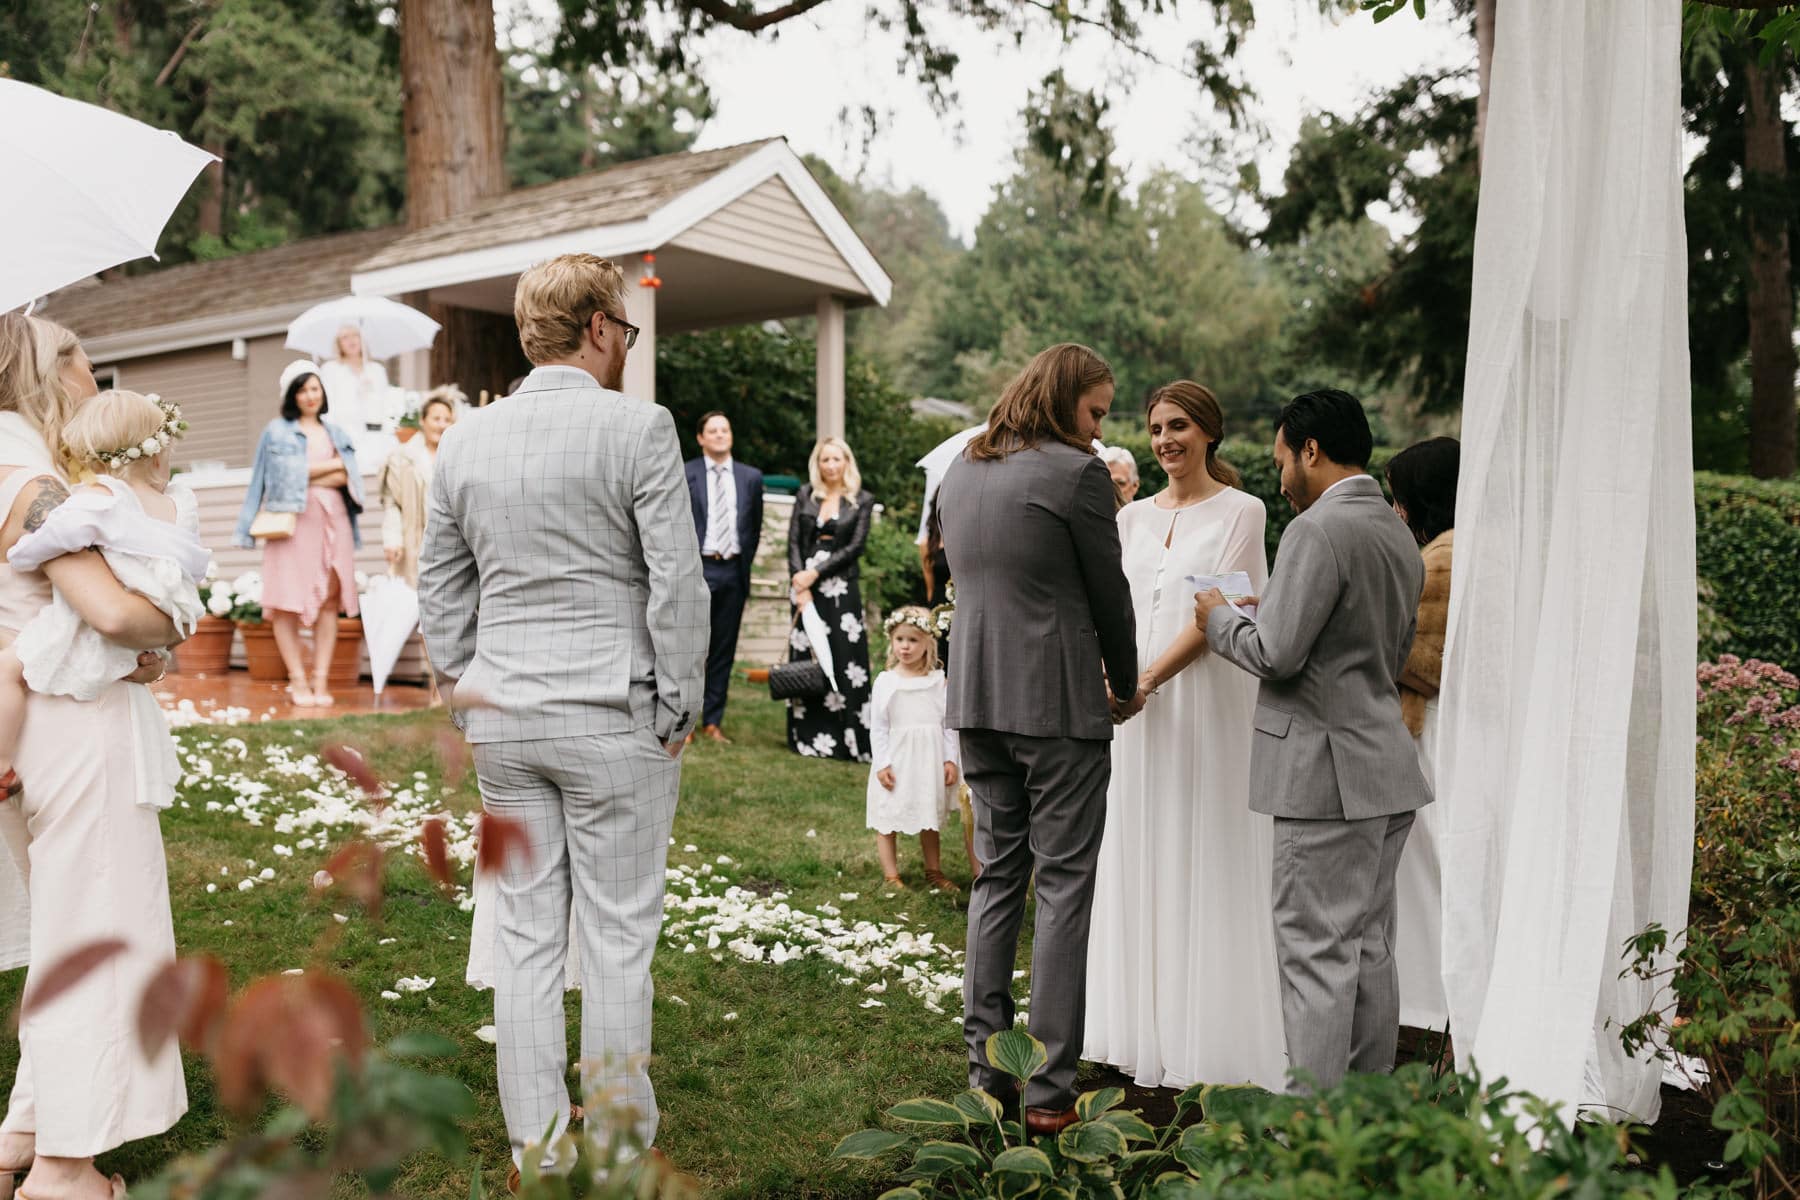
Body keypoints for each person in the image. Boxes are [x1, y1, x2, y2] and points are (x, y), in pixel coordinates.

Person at [419, 252, 707, 1188]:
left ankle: (537, 1151)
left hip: (506, 720)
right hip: (613, 716)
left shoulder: (465, 440)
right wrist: (679, 701)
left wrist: (465, 684)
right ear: (594, 326)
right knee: (620, 937)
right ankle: (620, 1144)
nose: (627, 345)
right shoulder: (639, 427)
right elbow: (675, 579)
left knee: (528, 938)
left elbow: (440, 584)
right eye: (624, 329)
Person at [1195, 387, 1433, 1093]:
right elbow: (1383, 650)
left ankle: (1310, 1131)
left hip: (1323, 777)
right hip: (1386, 767)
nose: (1279, 476)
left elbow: (1276, 655)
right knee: (1367, 947)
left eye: (1280, 460)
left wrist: (1216, 616)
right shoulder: (1397, 530)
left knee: (1314, 955)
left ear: (1310, 450)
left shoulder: (1315, 530)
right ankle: (1365, 1114)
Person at [0, 313, 187, 1200]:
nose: (89, 373)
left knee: (67, 932)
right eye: (75, 356)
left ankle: (22, 1134)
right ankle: (65, 1171)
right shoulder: (31, 477)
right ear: (41, 368)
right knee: (99, 936)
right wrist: (176, 625)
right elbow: (111, 613)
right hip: (74, 724)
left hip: (26, 723)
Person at [937, 343, 1137, 1135]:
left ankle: (988, 1067)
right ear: (1063, 401)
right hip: (1055, 707)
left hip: (977, 700)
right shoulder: (1078, 474)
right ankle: (1050, 1087)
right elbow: (1110, 597)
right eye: (1095, 412)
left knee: (995, 881)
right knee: (1062, 889)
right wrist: (1122, 682)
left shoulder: (961, 469)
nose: (1098, 432)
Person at [1083, 381, 1287, 1092]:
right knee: (1137, 839)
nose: (1166, 440)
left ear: (1209, 433)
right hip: (1130, 708)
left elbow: (1216, 611)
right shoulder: (1131, 517)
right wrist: (1117, 683)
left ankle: (1207, 1029)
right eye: (1156, 428)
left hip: (1202, 703)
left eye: (1180, 427)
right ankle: (1133, 1024)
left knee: (1201, 842)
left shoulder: (1243, 509)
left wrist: (1144, 683)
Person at [0, 390, 208, 818]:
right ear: (155, 456)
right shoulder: (178, 503)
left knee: (6, 671)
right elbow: (194, 560)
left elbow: (56, 535)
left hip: (99, 614)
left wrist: (21, 554)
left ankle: (1, 764)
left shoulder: (100, 497)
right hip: (157, 604)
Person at [232, 361, 364, 707]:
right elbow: (268, 478)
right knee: (286, 603)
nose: (310, 395)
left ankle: (321, 682)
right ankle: (298, 680)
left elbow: (348, 478)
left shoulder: (337, 432)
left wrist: (306, 473)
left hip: (334, 522)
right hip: (293, 525)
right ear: (292, 394)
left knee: (329, 603)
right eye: (303, 389)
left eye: (315, 388)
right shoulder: (276, 431)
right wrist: (330, 467)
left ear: (323, 392)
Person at [1386, 436, 1459, 1033]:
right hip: (1450, 728)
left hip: (1433, 731)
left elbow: (1426, 665)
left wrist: (1372, 636)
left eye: (1399, 498)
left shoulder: (1441, 559)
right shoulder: (1469, 549)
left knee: (1431, 864)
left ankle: (1433, 1001)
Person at [784, 437, 874, 762]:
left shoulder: (861, 500)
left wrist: (816, 573)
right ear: (818, 464)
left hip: (840, 589)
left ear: (847, 463)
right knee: (807, 657)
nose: (831, 465)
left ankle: (849, 738)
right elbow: (793, 541)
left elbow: (855, 548)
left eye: (837, 459)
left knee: (844, 657)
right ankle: (808, 736)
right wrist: (800, 580)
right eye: (825, 460)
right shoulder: (805, 495)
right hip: (805, 589)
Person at [866, 607, 961, 893]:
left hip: (927, 760)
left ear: (928, 643)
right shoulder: (886, 681)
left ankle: (934, 870)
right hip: (896, 758)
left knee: (927, 815)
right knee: (888, 814)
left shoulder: (937, 682)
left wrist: (949, 759)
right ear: (892, 641)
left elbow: (948, 725)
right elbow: (879, 727)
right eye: (900, 639)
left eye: (913, 640)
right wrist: (882, 763)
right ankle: (891, 875)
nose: (905, 647)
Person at [683, 412, 763, 744]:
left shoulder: (750, 477)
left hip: (732, 570)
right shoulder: (685, 473)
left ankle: (713, 721)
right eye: (712, 430)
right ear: (701, 438)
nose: (720, 435)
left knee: (722, 651)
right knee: (688, 649)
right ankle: (683, 722)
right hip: (696, 569)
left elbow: (753, 527)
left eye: (725, 429)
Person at [378, 386, 460, 586]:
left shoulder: (459, 458)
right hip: (412, 542)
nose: (441, 425)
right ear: (423, 421)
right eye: (436, 419)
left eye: (446, 420)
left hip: (449, 544)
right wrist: (392, 539)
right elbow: (392, 504)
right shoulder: (401, 458)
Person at [318, 324, 392, 459]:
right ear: (339, 344)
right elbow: (327, 405)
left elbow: (386, 403)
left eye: (355, 335)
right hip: (344, 434)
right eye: (345, 337)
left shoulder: (376, 370)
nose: (351, 340)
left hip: (375, 435)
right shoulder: (330, 369)